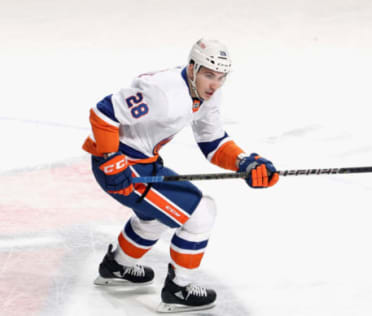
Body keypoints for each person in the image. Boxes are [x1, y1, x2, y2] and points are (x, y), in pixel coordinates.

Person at [82, 38, 279, 312]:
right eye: (209, 75)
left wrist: (244, 162)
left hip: (142, 162)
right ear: (191, 68)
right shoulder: (162, 93)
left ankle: (118, 266)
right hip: (122, 166)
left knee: (153, 219)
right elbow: (103, 113)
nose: (215, 84)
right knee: (201, 212)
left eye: (221, 77)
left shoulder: (208, 94)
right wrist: (112, 162)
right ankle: (179, 288)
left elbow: (212, 142)